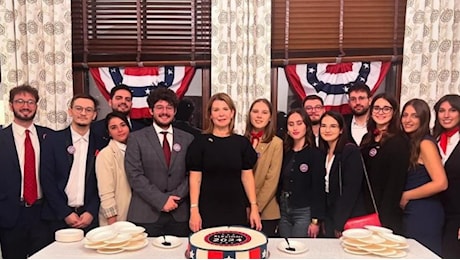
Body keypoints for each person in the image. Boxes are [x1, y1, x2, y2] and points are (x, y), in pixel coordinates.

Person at [187, 93, 262, 232]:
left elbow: (247, 177)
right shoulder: (199, 143)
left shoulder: (242, 143)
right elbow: (195, 178)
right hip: (207, 209)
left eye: (225, 109)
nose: (221, 114)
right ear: (210, 115)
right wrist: (194, 210)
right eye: (216, 110)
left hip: (236, 209)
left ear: (232, 113)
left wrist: (254, 207)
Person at [124, 88, 194, 237]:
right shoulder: (136, 138)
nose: (165, 112)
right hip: (145, 214)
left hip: (179, 213)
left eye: (169, 108)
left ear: (175, 111)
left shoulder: (188, 139)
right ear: (151, 110)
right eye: (160, 107)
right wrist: (161, 200)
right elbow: (134, 175)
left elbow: (192, 174)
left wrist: (175, 198)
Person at [0, 85, 54, 258]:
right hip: (10, 216)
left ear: (36, 106)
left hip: (43, 215)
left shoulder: (50, 137)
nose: (26, 106)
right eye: (20, 101)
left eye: (30, 102)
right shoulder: (1, 138)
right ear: (10, 105)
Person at [41, 94, 106, 234]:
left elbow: (102, 183)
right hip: (57, 217)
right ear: (70, 111)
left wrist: (91, 211)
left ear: (94, 115)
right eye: (79, 108)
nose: (83, 113)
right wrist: (65, 213)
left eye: (88, 110)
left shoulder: (101, 143)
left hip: (89, 218)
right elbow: (47, 181)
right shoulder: (53, 140)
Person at [399, 98, 447, 255]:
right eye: (405, 115)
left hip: (425, 212)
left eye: (414, 116)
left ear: (423, 118)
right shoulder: (411, 142)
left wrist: (406, 195)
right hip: (413, 210)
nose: (408, 120)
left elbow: (441, 183)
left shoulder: (425, 143)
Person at [360, 93, 410, 234]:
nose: (380, 112)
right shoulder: (368, 138)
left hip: (386, 212)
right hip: (365, 207)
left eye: (386, 108)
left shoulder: (399, 141)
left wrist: (384, 218)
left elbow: (395, 183)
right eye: (376, 108)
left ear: (394, 112)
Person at [318, 110, 367, 238]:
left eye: (333, 126)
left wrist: (339, 223)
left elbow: (351, 190)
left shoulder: (350, 151)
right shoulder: (323, 152)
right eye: (323, 126)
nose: (327, 130)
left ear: (341, 130)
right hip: (329, 214)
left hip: (347, 215)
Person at [278, 108, 325, 238]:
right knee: (284, 249)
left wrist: (316, 221)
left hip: (304, 211)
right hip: (284, 210)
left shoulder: (315, 154)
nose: (295, 128)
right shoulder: (284, 152)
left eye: (299, 123)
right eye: (291, 124)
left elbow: (318, 188)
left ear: (306, 126)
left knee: (298, 249)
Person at [243, 98, 283, 237]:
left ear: (270, 117)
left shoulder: (276, 143)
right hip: (242, 209)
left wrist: (255, 207)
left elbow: (271, 181)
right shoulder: (241, 140)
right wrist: (245, 206)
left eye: (264, 112)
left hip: (266, 212)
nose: (259, 116)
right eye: (255, 111)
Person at [432, 94, 460, 258]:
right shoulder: (433, 140)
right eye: (442, 111)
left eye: (452, 110)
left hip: (456, 215)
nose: (446, 115)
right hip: (436, 213)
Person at [95, 112, 132, 226]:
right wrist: (112, 223)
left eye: (123, 125)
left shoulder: (134, 150)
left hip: (133, 215)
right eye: (113, 127)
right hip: (116, 219)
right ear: (109, 133)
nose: (120, 130)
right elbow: (106, 192)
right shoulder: (106, 154)